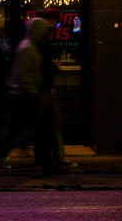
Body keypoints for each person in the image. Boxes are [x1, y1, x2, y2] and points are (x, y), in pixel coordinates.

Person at [0, 17, 68, 175]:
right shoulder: (28, 48)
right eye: (42, 29)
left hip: (23, 95)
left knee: (24, 132)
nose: (44, 33)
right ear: (37, 30)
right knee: (33, 131)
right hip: (25, 96)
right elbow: (24, 75)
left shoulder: (28, 46)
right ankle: (48, 164)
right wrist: (36, 93)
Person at [35, 9, 75, 169]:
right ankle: (56, 157)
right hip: (44, 89)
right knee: (54, 123)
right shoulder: (42, 40)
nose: (55, 25)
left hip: (40, 88)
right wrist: (53, 68)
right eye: (54, 21)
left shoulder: (35, 40)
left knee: (44, 125)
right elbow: (43, 65)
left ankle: (48, 157)